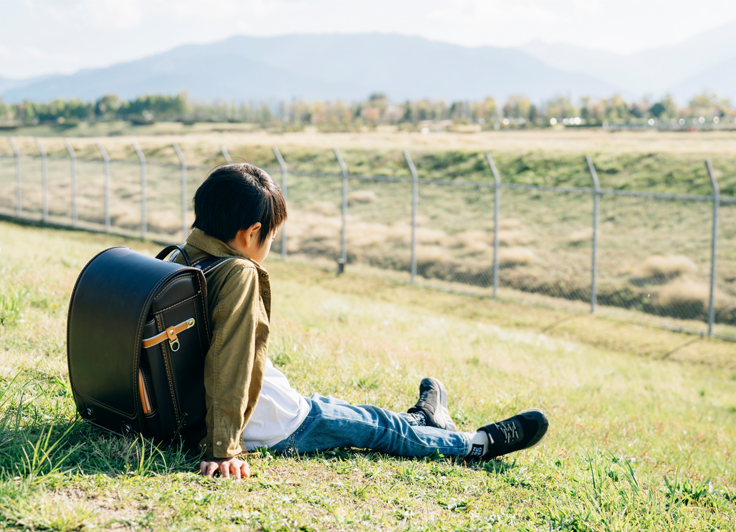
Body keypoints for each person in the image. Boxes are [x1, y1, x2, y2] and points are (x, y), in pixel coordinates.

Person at [176, 163, 549, 480]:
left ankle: (424, 418)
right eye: (271, 235)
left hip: (260, 406)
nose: (270, 244)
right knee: (380, 430)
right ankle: (477, 444)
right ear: (251, 233)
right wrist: (223, 448)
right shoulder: (240, 272)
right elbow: (231, 357)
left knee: (358, 415)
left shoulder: (179, 262)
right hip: (277, 423)